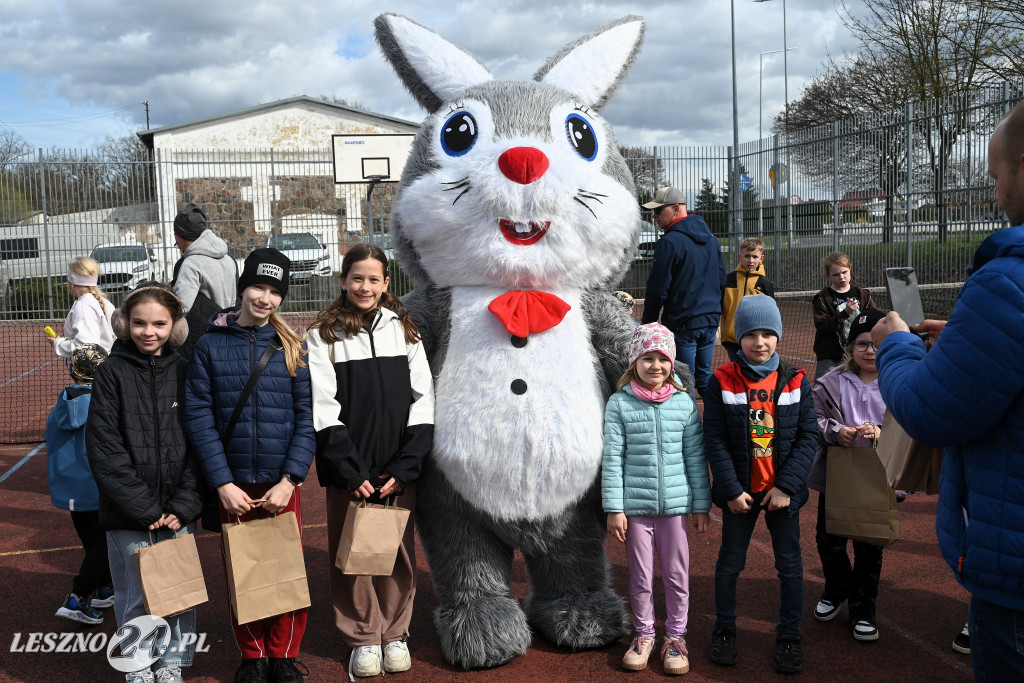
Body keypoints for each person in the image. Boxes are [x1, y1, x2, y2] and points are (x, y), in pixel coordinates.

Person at [871, 101, 1024, 680]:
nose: (995, 189)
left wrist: (895, 342)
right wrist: (967, 339)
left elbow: (930, 411)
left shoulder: (1009, 282)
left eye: (995, 174)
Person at [184, 248, 315, 683]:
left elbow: (305, 419)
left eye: (276, 291)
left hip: (280, 484)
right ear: (242, 288)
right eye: (258, 287)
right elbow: (199, 416)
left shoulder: (293, 347)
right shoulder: (209, 345)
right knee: (242, 571)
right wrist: (221, 482)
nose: (265, 298)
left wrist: (291, 478)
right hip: (233, 484)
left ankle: (283, 655)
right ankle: (253, 655)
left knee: (284, 571)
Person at [306, 243, 434, 679]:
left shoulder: (406, 330)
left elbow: (423, 400)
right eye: (357, 278)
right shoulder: (324, 334)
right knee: (355, 555)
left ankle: (395, 633)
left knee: (396, 551)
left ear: (385, 283)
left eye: (374, 279)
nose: (365, 286)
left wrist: (404, 467)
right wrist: (351, 470)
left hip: (397, 469)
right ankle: (363, 636)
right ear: (343, 281)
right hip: (353, 472)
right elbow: (323, 407)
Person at [86, 284, 203, 683]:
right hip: (128, 513)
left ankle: (171, 664)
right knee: (134, 594)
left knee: (177, 591)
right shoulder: (110, 373)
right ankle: (137, 664)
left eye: (159, 323)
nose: (148, 331)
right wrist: (146, 509)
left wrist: (184, 504)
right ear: (124, 324)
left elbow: (200, 442)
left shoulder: (187, 371)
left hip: (177, 511)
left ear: (175, 327)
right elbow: (104, 448)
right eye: (138, 323)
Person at [703, 294, 817, 674]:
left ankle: (788, 635)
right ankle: (724, 628)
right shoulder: (721, 380)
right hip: (740, 495)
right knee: (730, 564)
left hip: (781, 495)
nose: (760, 342)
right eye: (751, 334)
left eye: (768, 334)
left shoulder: (797, 380)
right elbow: (715, 438)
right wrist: (731, 489)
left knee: (789, 566)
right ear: (738, 338)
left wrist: (786, 487)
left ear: (779, 337)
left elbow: (808, 437)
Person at [602, 323, 710, 675]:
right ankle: (645, 635)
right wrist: (615, 507)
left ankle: (676, 638)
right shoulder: (619, 404)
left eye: (662, 359)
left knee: (677, 576)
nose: (656, 366)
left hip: (676, 510)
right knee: (640, 577)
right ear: (635, 362)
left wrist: (700, 505)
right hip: (635, 509)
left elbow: (695, 457)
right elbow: (613, 457)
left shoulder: (684, 403)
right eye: (647, 358)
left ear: (672, 363)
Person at [807, 308, 888, 642]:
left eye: (877, 345)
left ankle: (863, 607)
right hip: (837, 476)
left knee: (870, 546)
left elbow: (910, 423)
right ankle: (836, 587)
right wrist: (835, 430)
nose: (870, 351)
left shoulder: (898, 382)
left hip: (876, 478)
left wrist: (884, 433)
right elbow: (811, 419)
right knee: (829, 540)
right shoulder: (831, 382)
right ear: (849, 346)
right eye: (861, 344)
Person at [48, 343, 113, 626]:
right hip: (98, 488)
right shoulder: (104, 406)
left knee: (93, 543)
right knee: (105, 545)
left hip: (69, 489)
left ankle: (106, 588)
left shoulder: (59, 406)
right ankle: (78, 597)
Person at [641, 186, 726, 398]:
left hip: (684, 322)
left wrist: (648, 324)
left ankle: (691, 431)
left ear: (676, 208)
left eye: (659, 210)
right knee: (704, 376)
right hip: (709, 320)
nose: (655, 215)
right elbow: (721, 280)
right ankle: (718, 428)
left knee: (682, 379)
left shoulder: (669, 242)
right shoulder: (712, 240)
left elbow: (657, 288)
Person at [170, 203, 238, 359]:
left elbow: (181, 307)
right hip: (228, 329)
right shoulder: (229, 259)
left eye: (177, 241)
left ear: (180, 236)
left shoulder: (190, 263)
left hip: (201, 338)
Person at [811, 252, 876, 382]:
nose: (841, 277)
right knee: (824, 388)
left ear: (850, 269)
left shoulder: (862, 294)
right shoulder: (823, 298)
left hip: (857, 353)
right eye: (836, 274)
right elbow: (822, 326)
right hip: (830, 354)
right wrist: (845, 313)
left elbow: (874, 319)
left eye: (844, 272)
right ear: (828, 275)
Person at [720, 237, 775, 363]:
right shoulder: (728, 279)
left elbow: (771, 313)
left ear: (761, 258)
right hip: (732, 337)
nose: (751, 260)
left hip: (755, 338)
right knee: (737, 368)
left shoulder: (764, 283)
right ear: (739, 257)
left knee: (754, 370)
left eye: (755, 257)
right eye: (747, 256)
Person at [50, 257, 114, 358]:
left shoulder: (83, 307)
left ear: (72, 282)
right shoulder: (105, 303)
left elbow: (86, 348)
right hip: (108, 366)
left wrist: (58, 343)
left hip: (96, 370)